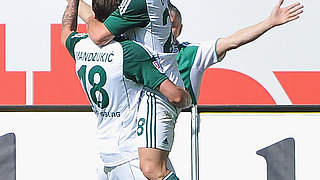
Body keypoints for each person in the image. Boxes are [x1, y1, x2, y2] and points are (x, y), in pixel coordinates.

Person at [61, 0, 190, 179]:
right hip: (128, 144)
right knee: (156, 170)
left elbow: (79, 33)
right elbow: (176, 96)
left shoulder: (79, 44)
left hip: (153, 101)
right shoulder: (129, 52)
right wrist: (186, 98)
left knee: (153, 169)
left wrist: (88, 16)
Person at [169, 0, 304, 104]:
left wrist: (270, 22)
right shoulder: (147, 54)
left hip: (184, 125)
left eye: (173, 25)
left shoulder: (192, 53)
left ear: (180, 29)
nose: (168, 30)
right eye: (164, 24)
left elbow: (233, 41)